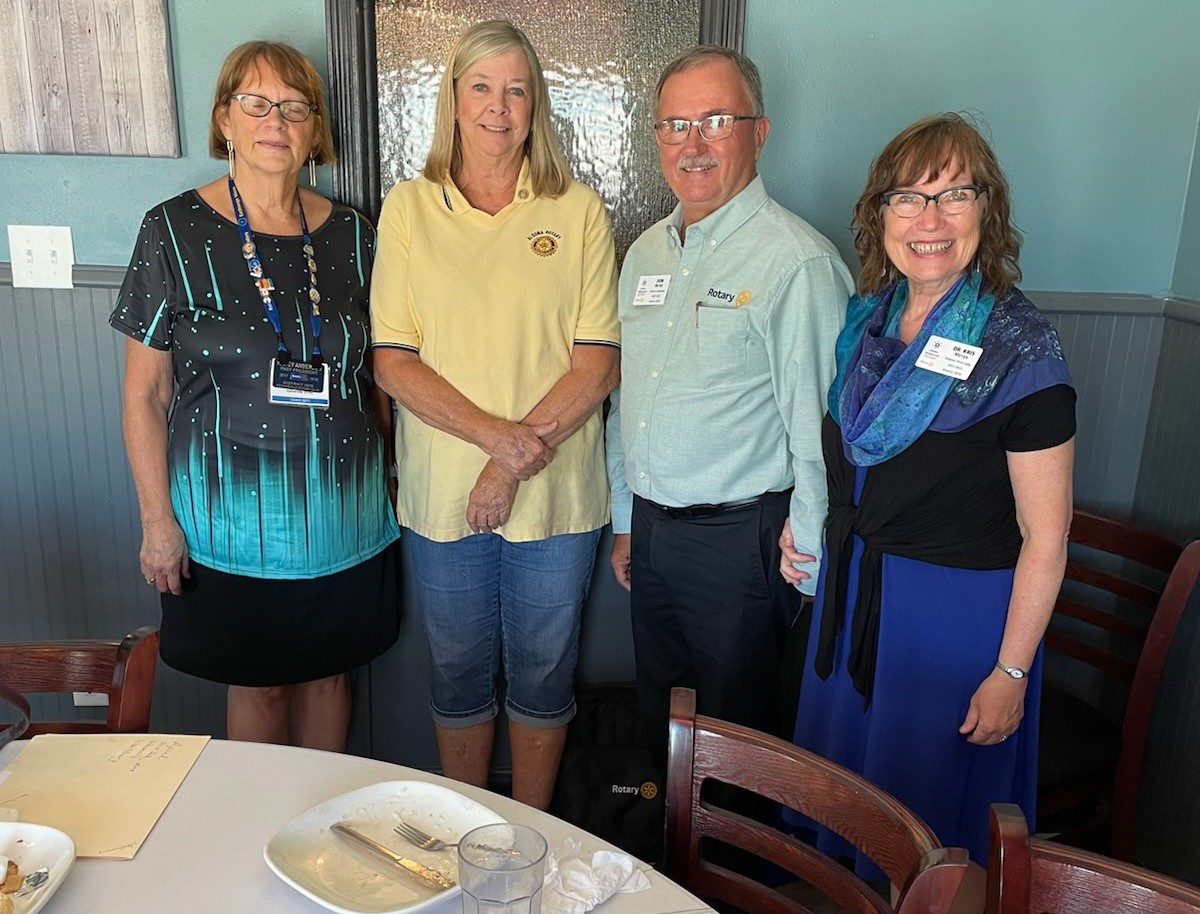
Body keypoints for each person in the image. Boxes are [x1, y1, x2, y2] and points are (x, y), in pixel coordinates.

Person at [782, 112, 1075, 866]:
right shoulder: (865, 323)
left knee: (928, 834)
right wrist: (807, 531)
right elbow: (848, 466)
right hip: (852, 603)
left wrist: (1011, 672)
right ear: (880, 215)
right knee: (850, 818)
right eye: (908, 198)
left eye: (955, 196)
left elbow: (1046, 536)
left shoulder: (1020, 346)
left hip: (953, 628)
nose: (930, 219)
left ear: (989, 209)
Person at [110, 41, 400, 750]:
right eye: (256, 103)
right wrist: (157, 522)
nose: (276, 120)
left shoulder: (356, 234)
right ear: (225, 120)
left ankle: (320, 846)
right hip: (231, 522)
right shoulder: (173, 230)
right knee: (260, 684)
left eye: (295, 107)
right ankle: (262, 842)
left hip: (347, 514)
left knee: (334, 677)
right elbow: (144, 395)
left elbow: (380, 372)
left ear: (313, 130)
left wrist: (391, 476)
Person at [369, 20, 619, 810]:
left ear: (536, 104)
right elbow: (393, 362)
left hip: (558, 499)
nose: (498, 106)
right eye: (481, 85)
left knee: (546, 673)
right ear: (452, 98)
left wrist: (509, 466)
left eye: (516, 89)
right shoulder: (409, 208)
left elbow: (597, 361)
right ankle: (467, 832)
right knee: (457, 673)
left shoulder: (577, 210)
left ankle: (535, 836)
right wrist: (496, 446)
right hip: (445, 498)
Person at [604, 45, 852, 760]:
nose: (693, 143)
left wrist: (806, 548)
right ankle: (670, 866)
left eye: (716, 119)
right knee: (664, 714)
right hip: (651, 533)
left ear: (759, 130)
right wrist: (627, 520)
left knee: (739, 735)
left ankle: (740, 872)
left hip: (744, 545)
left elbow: (818, 430)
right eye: (675, 125)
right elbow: (629, 401)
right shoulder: (646, 253)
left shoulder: (795, 261)